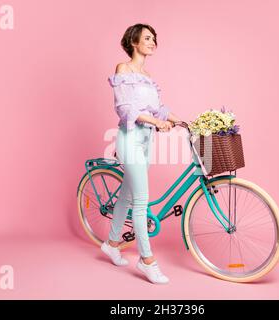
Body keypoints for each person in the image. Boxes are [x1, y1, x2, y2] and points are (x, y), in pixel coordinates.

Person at [101, 23, 182, 284]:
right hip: (130, 139)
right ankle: (147, 260)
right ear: (134, 41)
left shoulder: (147, 76)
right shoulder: (123, 69)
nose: (153, 41)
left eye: (154, 38)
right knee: (140, 201)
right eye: (147, 38)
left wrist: (181, 121)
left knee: (127, 193)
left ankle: (112, 244)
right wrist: (157, 123)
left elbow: (158, 110)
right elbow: (126, 111)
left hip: (147, 140)